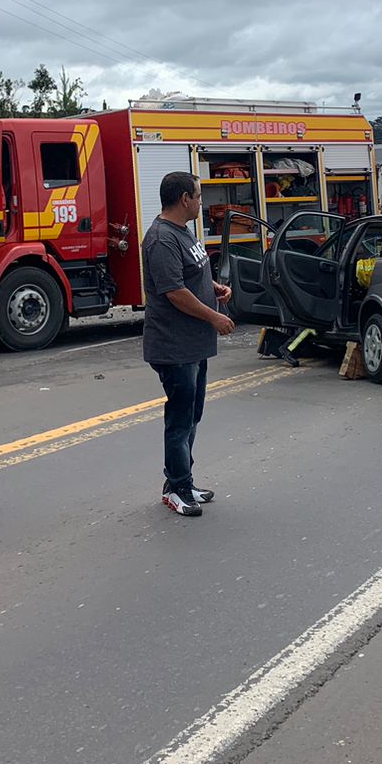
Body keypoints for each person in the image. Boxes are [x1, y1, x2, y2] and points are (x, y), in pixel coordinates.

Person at [142, 171, 234, 517]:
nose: (200, 201)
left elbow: (190, 275)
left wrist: (213, 288)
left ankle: (183, 480)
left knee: (192, 415)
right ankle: (176, 488)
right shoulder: (161, 239)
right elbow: (174, 292)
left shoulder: (182, 233)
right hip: (174, 345)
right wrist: (214, 316)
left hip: (193, 344)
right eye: (197, 195)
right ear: (184, 199)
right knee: (180, 419)